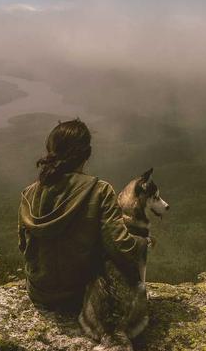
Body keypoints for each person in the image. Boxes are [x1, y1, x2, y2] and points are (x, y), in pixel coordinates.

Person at [17, 119, 147, 316]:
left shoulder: (29, 193)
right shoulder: (99, 190)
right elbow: (121, 248)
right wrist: (144, 243)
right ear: (87, 154)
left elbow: (23, 245)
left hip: (39, 292)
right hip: (81, 296)